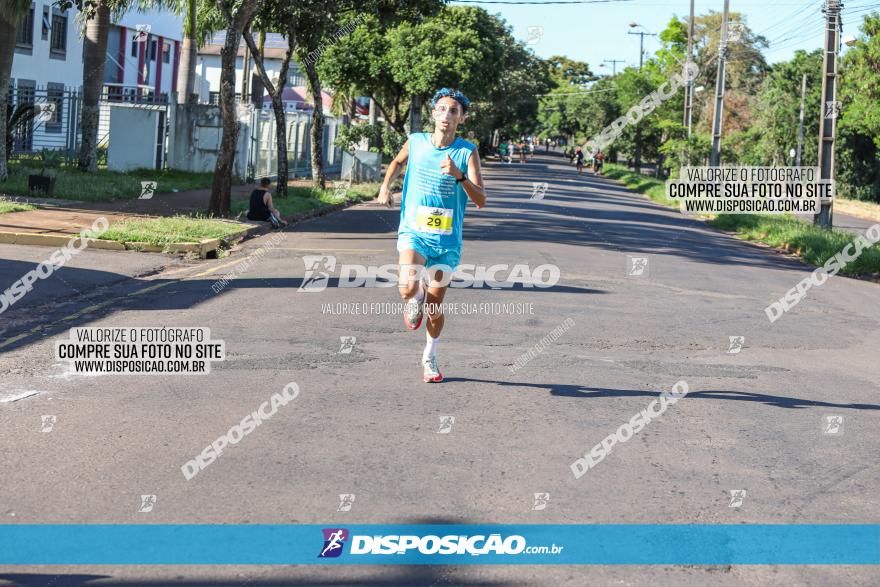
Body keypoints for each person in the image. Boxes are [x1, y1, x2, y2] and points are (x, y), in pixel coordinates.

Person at [376, 88, 487, 383]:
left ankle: (430, 355)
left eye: (453, 111)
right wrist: (386, 186)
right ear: (433, 114)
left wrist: (459, 176)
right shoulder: (416, 141)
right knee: (406, 289)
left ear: (461, 118)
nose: (446, 115)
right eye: (441, 109)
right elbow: (398, 162)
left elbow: (480, 200)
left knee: (435, 309)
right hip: (415, 230)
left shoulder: (467, 151)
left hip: (447, 241)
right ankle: (416, 295)